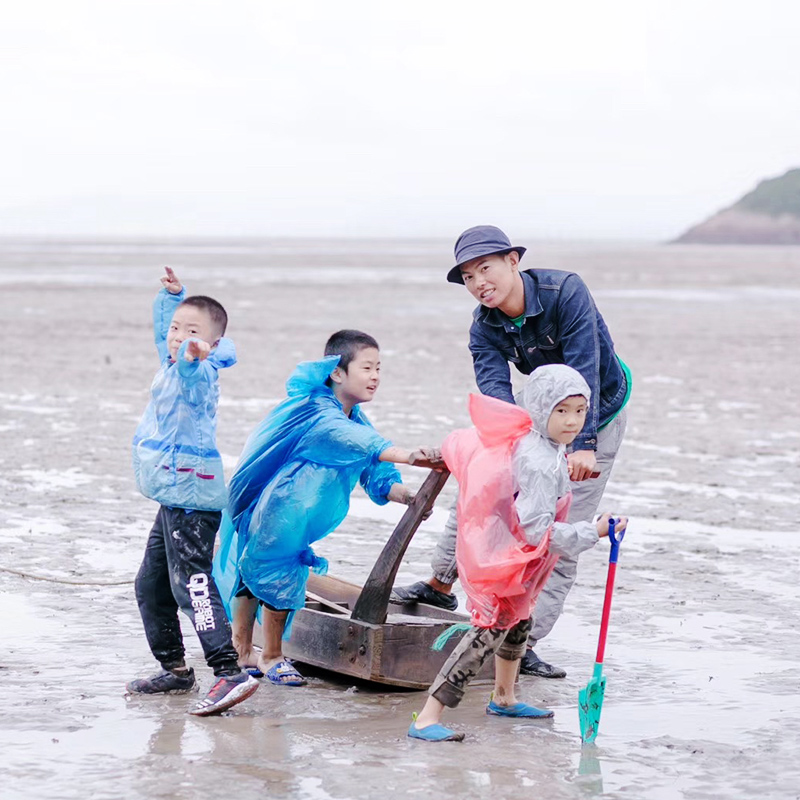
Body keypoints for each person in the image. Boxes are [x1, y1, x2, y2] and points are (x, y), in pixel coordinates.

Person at [394, 225, 631, 678]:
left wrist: (584, 446)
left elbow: (586, 364)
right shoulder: (483, 327)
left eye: (486, 268)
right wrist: (498, 453)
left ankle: (525, 642)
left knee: (557, 531)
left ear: (512, 261)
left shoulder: (566, 292)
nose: (479, 282)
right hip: (537, 411)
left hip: (595, 411)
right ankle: (441, 582)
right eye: (467, 277)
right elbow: (496, 394)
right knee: (486, 490)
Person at [408, 365, 628, 742]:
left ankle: (505, 697)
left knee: (520, 622)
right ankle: (427, 717)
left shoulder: (534, 441)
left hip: (521, 557)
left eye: (579, 410)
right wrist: (592, 531)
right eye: (561, 411)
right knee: (486, 633)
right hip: (509, 556)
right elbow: (536, 531)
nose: (572, 421)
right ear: (541, 409)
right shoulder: (541, 460)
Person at [213, 330, 442, 686]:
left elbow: (375, 471)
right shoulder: (317, 410)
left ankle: (243, 649)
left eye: (379, 368)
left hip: (297, 510)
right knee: (276, 572)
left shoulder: (353, 416)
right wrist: (410, 456)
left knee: (254, 570)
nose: (376, 376)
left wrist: (407, 497)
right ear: (337, 372)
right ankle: (270, 656)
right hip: (278, 505)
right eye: (367, 367)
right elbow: (361, 444)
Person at [126, 267, 259, 716]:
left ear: (213, 344)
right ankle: (177, 670)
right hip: (173, 497)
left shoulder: (196, 373)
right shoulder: (172, 361)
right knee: (151, 586)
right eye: (175, 329)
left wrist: (193, 355)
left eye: (192, 331)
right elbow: (169, 338)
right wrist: (173, 298)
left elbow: (188, 366)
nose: (178, 337)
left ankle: (229, 672)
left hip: (191, 501)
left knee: (193, 587)